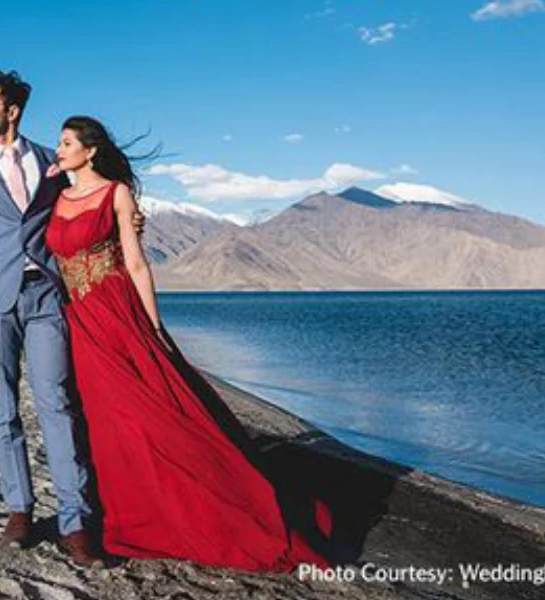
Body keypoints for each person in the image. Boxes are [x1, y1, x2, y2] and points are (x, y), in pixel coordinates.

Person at [42, 115, 333, 572]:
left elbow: (136, 264)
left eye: (65, 142)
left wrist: (153, 326)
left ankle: (192, 504)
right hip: (77, 320)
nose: (57, 149)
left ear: (90, 149)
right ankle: (120, 510)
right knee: (101, 419)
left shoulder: (117, 194)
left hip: (116, 314)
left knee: (142, 413)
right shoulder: (55, 197)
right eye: (58, 143)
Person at [0, 70, 141, 566]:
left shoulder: (53, 162)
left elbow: (88, 201)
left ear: (12, 111)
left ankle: (75, 520)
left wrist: (130, 220)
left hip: (47, 296)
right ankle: (20, 508)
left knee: (56, 401)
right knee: (2, 402)